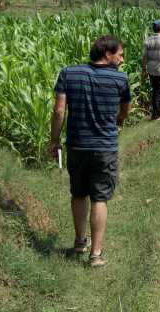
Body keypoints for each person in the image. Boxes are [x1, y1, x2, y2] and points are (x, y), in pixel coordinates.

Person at [49, 35, 131, 268]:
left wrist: (54, 141)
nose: (122, 60)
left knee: (78, 193)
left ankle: (79, 242)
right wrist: (117, 122)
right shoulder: (121, 80)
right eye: (120, 55)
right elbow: (124, 112)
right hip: (105, 148)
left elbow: (59, 111)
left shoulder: (69, 73)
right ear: (108, 54)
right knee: (100, 198)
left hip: (76, 145)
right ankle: (95, 254)